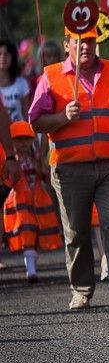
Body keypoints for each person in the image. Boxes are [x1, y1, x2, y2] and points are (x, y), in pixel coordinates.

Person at [29, 27, 109, 311]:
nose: (85, 46)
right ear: (67, 45)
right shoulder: (51, 75)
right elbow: (37, 122)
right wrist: (63, 117)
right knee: (76, 232)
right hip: (70, 169)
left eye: (90, 41)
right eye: (78, 41)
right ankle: (81, 290)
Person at [4, 120, 61, 282]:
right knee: (26, 231)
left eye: (26, 139)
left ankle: (31, 260)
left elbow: (46, 177)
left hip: (37, 202)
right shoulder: (12, 162)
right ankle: (31, 269)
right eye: (18, 139)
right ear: (12, 140)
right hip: (20, 203)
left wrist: (41, 167)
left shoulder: (36, 158)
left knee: (35, 234)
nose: (22, 143)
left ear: (32, 140)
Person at [0, 39, 32, 122]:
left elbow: (26, 115)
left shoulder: (22, 84)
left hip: (19, 132)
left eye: (6, 54)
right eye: (0, 54)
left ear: (12, 57)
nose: (3, 57)